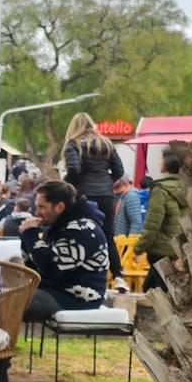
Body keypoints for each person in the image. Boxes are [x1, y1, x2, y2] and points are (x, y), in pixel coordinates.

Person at [20, 180, 110, 322]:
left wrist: (31, 236)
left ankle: (2, 342)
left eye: (42, 207)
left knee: (13, 302)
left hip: (78, 298)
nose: (37, 213)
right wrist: (26, 239)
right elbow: (35, 269)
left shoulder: (83, 230)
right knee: (5, 297)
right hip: (56, 292)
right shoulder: (59, 228)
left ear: (60, 207)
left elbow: (52, 267)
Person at [63, 112, 127, 293]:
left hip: (84, 195)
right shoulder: (106, 143)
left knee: (80, 233)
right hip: (106, 195)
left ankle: (81, 277)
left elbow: (74, 169)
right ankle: (119, 277)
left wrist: (69, 185)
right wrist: (106, 183)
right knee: (107, 235)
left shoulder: (73, 144)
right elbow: (119, 170)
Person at [135, 151, 187, 292]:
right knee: (151, 287)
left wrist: (138, 248)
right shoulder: (187, 188)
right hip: (180, 247)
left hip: (161, 249)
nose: (159, 162)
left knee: (163, 288)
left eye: (161, 160)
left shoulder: (160, 190)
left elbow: (152, 224)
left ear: (167, 164)